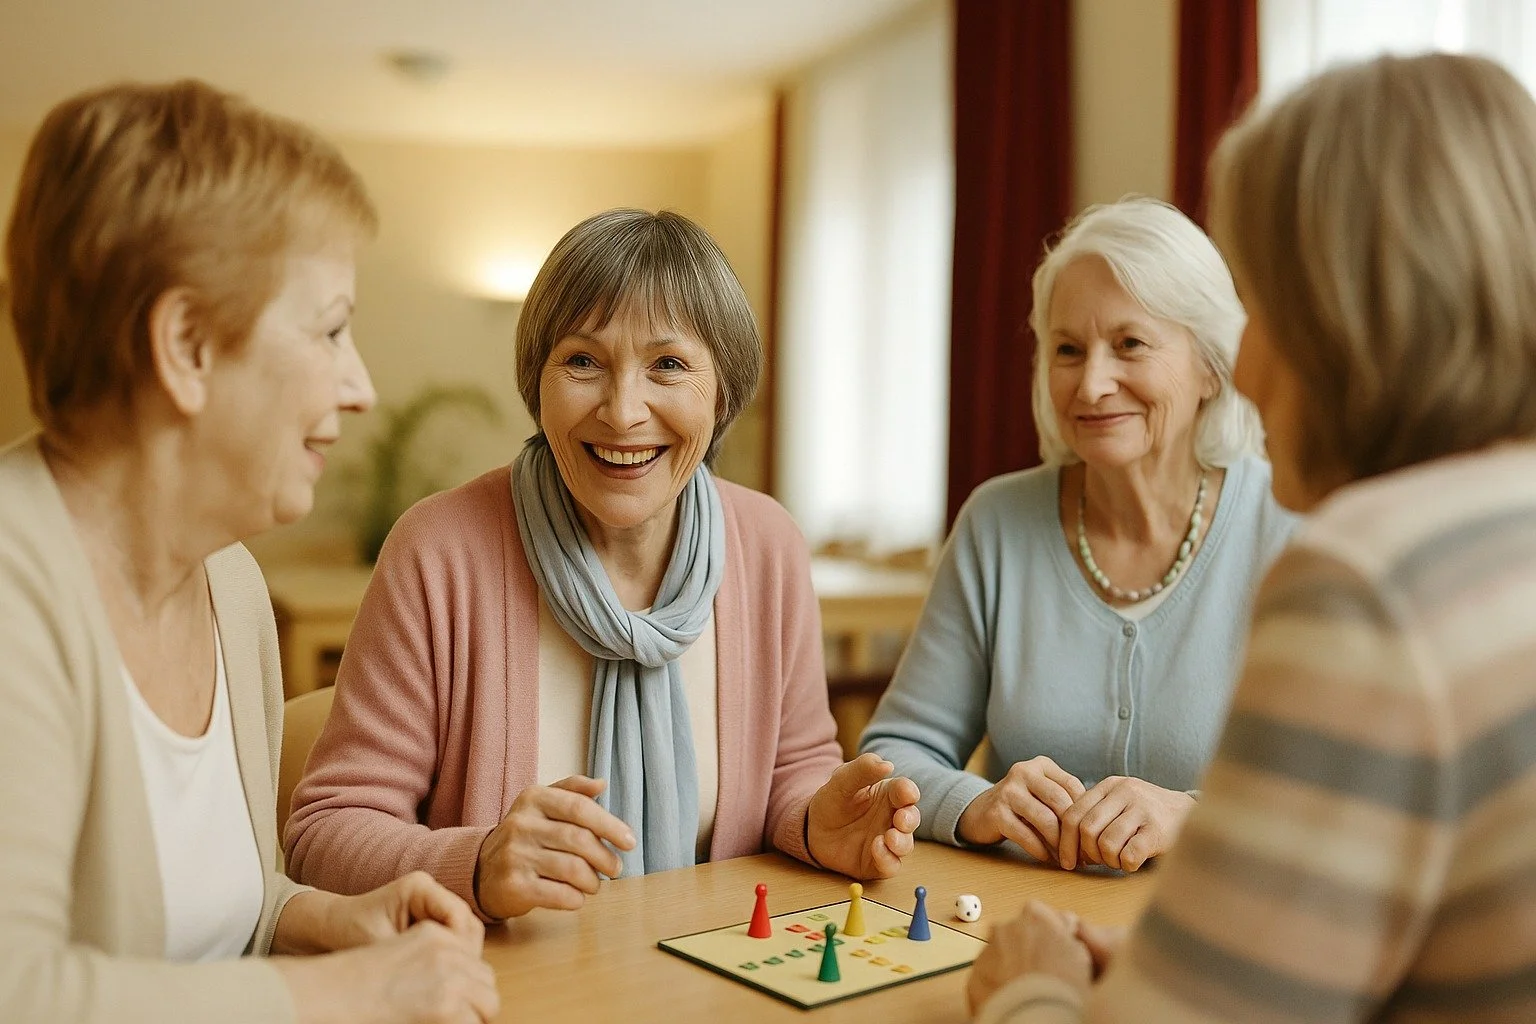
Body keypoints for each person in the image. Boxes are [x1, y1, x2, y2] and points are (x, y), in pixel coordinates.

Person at [968, 51, 1536, 1023]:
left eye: (1263, 308)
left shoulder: (1370, 582)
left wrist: (1028, 989)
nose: (1251, 372)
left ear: (1361, 316)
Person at [0, 80, 499, 1024]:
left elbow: (223, 913)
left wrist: (330, 921)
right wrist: (338, 994)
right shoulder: (12, 590)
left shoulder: (228, 581)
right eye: (332, 329)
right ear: (186, 343)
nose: (360, 387)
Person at [285, 208, 920, 921]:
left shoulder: (767, 545)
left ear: (725, 389)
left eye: (669, 365)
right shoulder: (439, 552)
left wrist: (815, 823)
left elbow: (792, 774)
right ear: (538, 378)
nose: (622, 413)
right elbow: (323, 835)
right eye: (583, 361)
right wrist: (479, 861)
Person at [860, 197, 1296, 873]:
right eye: (1068, 350)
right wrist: (974, 804)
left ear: (1212, 366)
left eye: (1130, 345)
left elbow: (1356, 790)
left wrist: (1193, 815)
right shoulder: (996, 525)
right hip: (1015, 930)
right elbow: (894, 752)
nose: (1092, 384)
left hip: (1220, 941)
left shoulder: (1291, 526)